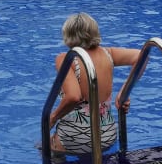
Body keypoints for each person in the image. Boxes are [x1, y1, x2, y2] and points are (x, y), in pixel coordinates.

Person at [49, 12, 141, 155]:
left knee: (44, 146)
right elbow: (141, 56)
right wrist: (124, 91)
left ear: (68, 35)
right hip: (107, 136)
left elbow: (74, 97)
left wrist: (53, 117)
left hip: (75, 138)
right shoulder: (108, 53)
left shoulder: (66, 59)